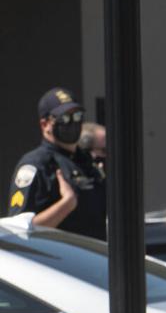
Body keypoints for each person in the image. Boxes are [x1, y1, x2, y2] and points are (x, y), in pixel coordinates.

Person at [8, 88, 107, 240]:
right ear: (45, 124)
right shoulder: (35, 165)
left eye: (77, 116)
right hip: (57, 262)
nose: (73, 122)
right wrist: (66, 204)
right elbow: (18, 232)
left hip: (94, 258)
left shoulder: (86, 161)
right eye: (65, 118)